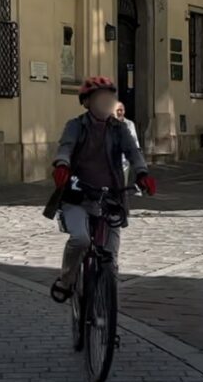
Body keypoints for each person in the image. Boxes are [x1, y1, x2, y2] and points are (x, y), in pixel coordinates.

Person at [48, 77, 156, 304]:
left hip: (111, 196)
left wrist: (142, 173)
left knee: (110, 259)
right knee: (80, 239)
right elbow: (65, 147)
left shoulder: (120, 129)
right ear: (87, 103)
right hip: (79, 194)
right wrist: (62, 165)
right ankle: (66, 281)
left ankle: (105, 319)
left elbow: (133, 152)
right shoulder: (76, 126)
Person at [114, 102, 141, 196]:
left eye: (121, 110)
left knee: (123, 181)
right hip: (111, 158)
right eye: (118, 110)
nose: (120, 112)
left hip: (124, 159)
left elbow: (134, 139)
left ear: (124, 111)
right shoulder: (108, 123)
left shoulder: (129, 124)